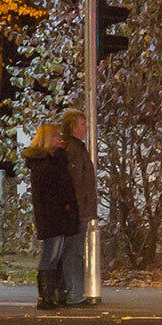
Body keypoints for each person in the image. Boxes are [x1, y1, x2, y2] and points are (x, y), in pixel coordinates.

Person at [23, 122, 81, 311]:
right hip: (52, 215)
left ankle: (50, 294)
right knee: (51, 254)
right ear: (48, 139)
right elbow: (51, 190)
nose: (60, 139)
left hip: (58, 215)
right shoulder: (43, 164)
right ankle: (45, 296)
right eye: (56, 136)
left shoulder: (54, 160)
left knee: (55, 255)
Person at [61, 108, 97, 306]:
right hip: (77, 211)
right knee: (74, 253)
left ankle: (72, 292)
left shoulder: (75, 148)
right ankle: (74, 294)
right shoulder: (74, 150)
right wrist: (77, 208)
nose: (86, 128)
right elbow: (75, 182)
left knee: (73, 252)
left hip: (78, 209)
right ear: (73, 127)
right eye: (83, 124)